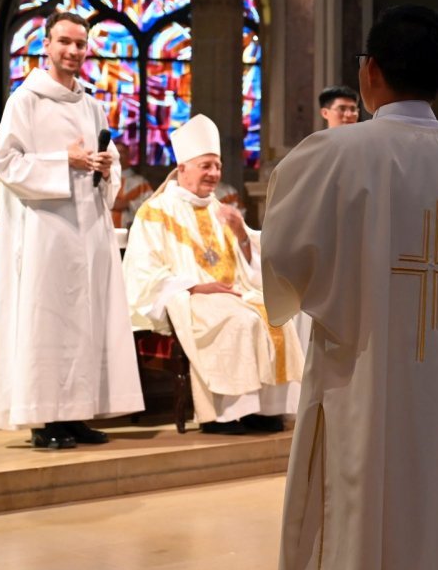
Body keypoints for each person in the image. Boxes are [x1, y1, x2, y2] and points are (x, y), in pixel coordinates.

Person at [262, 4, 438, 570]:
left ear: (369, 72)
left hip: (360, 384)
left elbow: (283, 268)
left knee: (358, 502)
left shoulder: (331, 154)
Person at [0, 10, 144, 448]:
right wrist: (65, 162)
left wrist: (105, 166)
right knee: (49, 322)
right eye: (65, 43)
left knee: (85, 321)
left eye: (80, 44)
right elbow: (6, 163)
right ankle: (45, 422)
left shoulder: (92, 104)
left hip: (89, 228)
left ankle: (76, 415)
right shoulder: (26, 101)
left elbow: (101, 164)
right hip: (47, 230)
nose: (73, 51)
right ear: (47, 44)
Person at [123, 114, 304, 434]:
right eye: (206, 165)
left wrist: (242, 235)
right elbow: (143, 269)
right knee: (239, 322)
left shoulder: (218, 207)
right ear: (182, 169)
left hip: (233, 291)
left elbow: (250, 261)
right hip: (187, 295)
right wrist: (195, 286)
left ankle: (264, 410)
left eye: (217, 166)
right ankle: (224, 415)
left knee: (277, 317)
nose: (214, 174)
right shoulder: (155, 211)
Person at [110, 139, 154, 228]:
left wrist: (128, 204)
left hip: (130, 229)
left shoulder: (140, 183)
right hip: (105, 230)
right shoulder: (104, 180)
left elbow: (151, 206)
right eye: (115, 152)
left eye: (121, 152)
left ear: (128, 155)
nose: (118, 156)